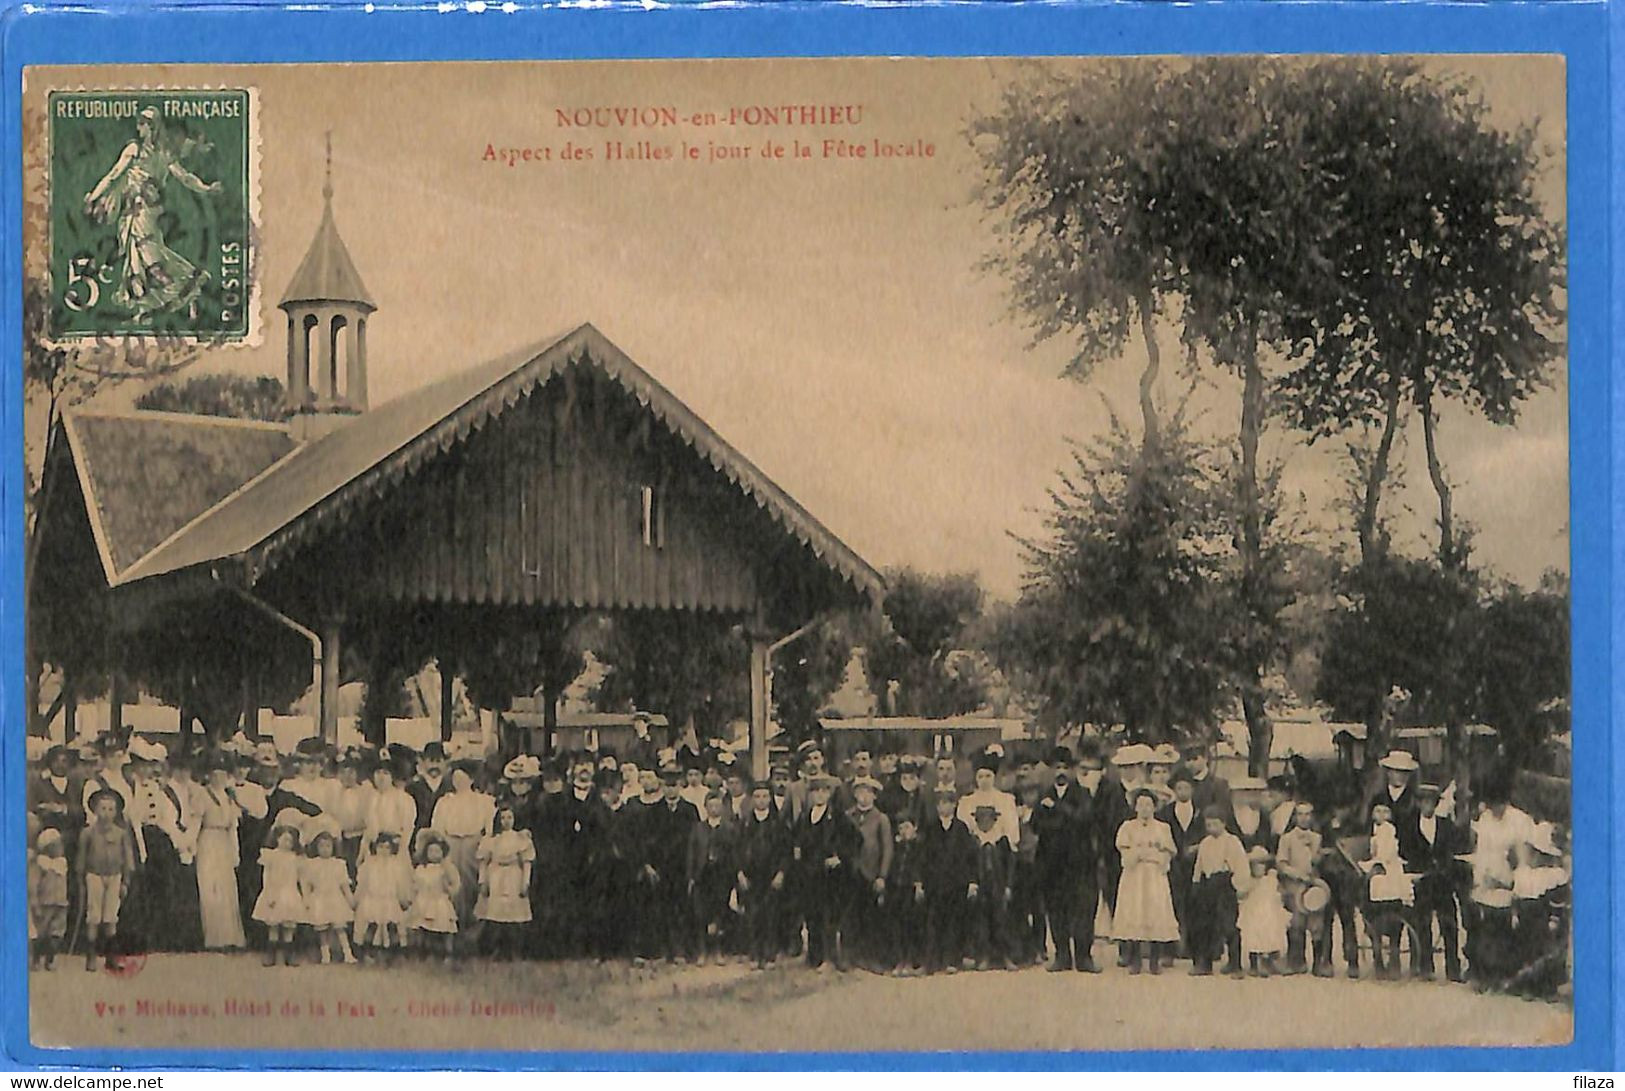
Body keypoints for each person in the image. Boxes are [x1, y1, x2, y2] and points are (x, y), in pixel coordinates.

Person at [1031, 746, 1101, 973]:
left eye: (1064, 767)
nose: (1060, 772)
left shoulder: (1082, 794)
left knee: (1083, 909)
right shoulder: (1043, 795)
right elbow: (1036, 825)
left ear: (1071, 770)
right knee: (1055, 908)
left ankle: (1083, 957)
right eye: (1056, 767)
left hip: (1079, 863)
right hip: (1052, 864)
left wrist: (1058, 809)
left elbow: (1084, 818)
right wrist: (1058, 819)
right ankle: (1062, 955)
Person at [1467, 778, 1535, 992]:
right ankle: (1483, 970)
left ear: (1506, 802)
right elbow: (1482, 851)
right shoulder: (1485, 819)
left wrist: (1513, 880)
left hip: (1511, 875)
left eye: (1497, 805)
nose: (1494, 810)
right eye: (1490, 805)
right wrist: (1481, 879)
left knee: (1505, 921)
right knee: (1481, 917)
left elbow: (1524, 856)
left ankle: (1507, 972)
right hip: (1489, 876)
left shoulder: (1520, 820)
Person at [1399, 782, 1465, 982]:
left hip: (1443, 882)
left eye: (1431, 802)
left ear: (1436, 804)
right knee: (1422, 923)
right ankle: (1425, 966)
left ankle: (1453, 968)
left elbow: (1453, 851)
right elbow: (1404, 853)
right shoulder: (1409, 826)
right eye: (1424, 801)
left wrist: (1446, 869)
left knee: (1449, 924)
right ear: (1418, 803)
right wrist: (1415, 871)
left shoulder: (1446, 825)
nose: (1428, 805)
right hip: (1421, 882)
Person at [791, 774, 857, 971]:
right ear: (810, 794)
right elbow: (796, 838)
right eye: (815, 791)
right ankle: (814, 956)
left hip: (830, 876)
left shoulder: (837, 816)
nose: (819, 795)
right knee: (812, 915)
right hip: (809, 873)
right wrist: (797, 849)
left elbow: (856, 840)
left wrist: (841, 858)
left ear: (829, 794)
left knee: (829, 916)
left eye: (823, 791)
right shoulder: (805, 816)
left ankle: (830, 958)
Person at [1113, 786, 1180, 974]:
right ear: (1134, 807)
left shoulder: (1162, 828)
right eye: (1140, 805)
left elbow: (1170, 851)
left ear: (1154, 807)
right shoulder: (1127, 827)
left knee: (1155, 912)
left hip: (1154, 875)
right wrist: (1137, 853)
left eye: (1148, 805)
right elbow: (1124, 849)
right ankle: (1135, 959)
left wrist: (1158, 855)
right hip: (1134, 875)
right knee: (1134, 911)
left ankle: (1154, 960)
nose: (1144, 809)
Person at [77, 789, 137, 973]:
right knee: (94, 915)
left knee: (111, 916)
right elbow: (81, 860)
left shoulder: (121, 833)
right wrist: (81, 882)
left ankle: (111, 957)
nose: (106, 813)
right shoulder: (87, 833)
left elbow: (128, 859)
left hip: (114, 876)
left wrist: (125, 881)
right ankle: (91, 956)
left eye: (111, 809)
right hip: (94, 876)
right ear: (95, 810)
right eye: (103, 808)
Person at [429, 762, 494, 931]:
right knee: (451, 881)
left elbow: (489, 828)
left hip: (473, 844)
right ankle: (452, 921)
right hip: (450, 843)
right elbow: (437, 826)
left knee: (471, 881)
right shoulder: (445, 801)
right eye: (455, 777)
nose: (458, 780)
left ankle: (471, 922)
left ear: (471, 779)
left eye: (462, 777)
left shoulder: (483, 801)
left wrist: (485, 845)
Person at [919, 787, 975, 974]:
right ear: (936, 807)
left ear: (955, 805)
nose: (944, 807)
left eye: (948, 803)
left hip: (956, 882)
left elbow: (969, 857)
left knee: (953, 921)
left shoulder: (961, 828)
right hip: (935, 883)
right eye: (941, 803)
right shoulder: (930, 827)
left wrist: (970, 881)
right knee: (933, 921)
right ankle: (932, 961)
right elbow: (924, 856)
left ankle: (952, 960)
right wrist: (922, 881)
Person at [195, 754, 248, 950]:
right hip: (208, 841)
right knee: (210, 887)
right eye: (215, 773)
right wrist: (190, 847)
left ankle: (230, 937)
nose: (219, 777)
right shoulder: (202, 795)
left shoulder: (230, 797)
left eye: (223, 773)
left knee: (227, 888)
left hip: (224, 842)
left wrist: (235, 853)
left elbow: (233, 826)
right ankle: (213, 938)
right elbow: (195, 823)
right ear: (208, 775)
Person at [1188, 805, 1247, 976]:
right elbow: (1199, 865)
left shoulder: (1232, 842)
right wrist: (1196, 882)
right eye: (1208, 825)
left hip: (1225, 885)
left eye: (1215, 824)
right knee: (1205, 925)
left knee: (1229, 926)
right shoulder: (1205, 843)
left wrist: (1239, 886)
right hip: (1208, 886)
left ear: (1223, 824)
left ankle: (1235, 964)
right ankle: (1205, 963)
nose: (1211, 828)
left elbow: (1241, 865)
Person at [736, 781, 789, 970]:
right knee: (752, 915)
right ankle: (754, 953)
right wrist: (740, 873)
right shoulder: (745, 823)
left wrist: (781, 873)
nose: (761, 800)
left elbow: (785, 850)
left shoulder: (778, 823)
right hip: (751, 876)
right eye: (757, 796)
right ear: (752, 799)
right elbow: (738, 849)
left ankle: (769, 954)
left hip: (771, 875)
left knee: (771, 915)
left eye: (765, 796)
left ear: (770, 798)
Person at [844, 775, 893, 971]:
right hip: (851, 873)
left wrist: (882, 876)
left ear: (874, 796)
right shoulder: (848, 816)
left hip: (871, 874)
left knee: (872, 917)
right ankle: (851, 955)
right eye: (860, 792)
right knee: (851, 916)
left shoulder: (881, 819)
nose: (864, 796)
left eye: (868, 792)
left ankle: (872, 957)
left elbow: (887, 849)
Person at [475, 806, 534, 961]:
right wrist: (483, 881)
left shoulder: (521, 840)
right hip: (496, 876)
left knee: (515, 914)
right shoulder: (492, 841)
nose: (506, 821)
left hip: (514, 876)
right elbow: (484, 863)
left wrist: (525, 882)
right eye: (503, 818)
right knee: (496, 914)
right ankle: (497, 950)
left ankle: (515, 951)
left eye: (509, 817)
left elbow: (527, 863)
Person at [1363, 800, 1414, 979]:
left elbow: (1392, 853)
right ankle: (1377, 952)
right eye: (1378, 811)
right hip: (1376, 866)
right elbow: (1371, 853)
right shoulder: (1370, 833)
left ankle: (1394, 952)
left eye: (1385, 811)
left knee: (1397, 885)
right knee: (1371, 883)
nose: (1382, 816)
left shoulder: (1390, 830)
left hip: (1391, 865)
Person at [687, 791, 740, 964]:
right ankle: (702, 951)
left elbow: (734, 854)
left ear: (723, 808)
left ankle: (718, 951)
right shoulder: (698, 828)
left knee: (719, 912)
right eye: (711, 805)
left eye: (717, 805)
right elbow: (691, 853)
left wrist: (733, 876)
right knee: (701, 914)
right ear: (705, 807)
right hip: (703, 876)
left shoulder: (729, 828)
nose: (714, 809)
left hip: (721, 876)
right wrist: (691, 876)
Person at [1275, 800, 1327, 975]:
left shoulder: (1317, 838)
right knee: (1296, 924)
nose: (1304, 818)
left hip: (1313, 887)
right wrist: (1297, 874)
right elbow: (1281, 864)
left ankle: (1318, 963)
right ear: (1295, 817)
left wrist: (1317, 860)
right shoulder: (1287, 838)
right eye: (1300, 814)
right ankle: (1296, 961)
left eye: (1308, 814)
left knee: (1316, 924)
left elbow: (1320, 862)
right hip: (1294, 886)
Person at [1160, 770, 1204, 962]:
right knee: (1172, 905)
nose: (1183, 791)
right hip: (1173, 865)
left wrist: (1197, 847)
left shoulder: (1202, 812)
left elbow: (1208, 835)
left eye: (1186, 787)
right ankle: (1169, 950)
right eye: (1179, 788)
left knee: (1194, 905)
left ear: (1192, 790)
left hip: (1196, 865)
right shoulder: (1165, 813)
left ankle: (1194, 948)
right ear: (1174, 790)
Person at [967, 803, 1015, 970]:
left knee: (1001, 919)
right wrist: (972, 883)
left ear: (995, 821)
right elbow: (969, 864)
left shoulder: (1002, 841)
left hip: (998, 885)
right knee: (981, 920)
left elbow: (1010, 864)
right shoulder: (973, 841)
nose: (985, 824)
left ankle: (1006, 956)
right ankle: (984, 956)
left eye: (989, 820)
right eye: (981, 820)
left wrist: (1008, 886)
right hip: (981, 886)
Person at [253, 818, 308, 967]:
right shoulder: (271, 856)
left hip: (290, 893)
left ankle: (288, 955)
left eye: (290, 841)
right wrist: (269, 893)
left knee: (289, 926)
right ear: (277, 839)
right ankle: (271, 955)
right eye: (284, 839)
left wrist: (306, 897)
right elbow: (266, 876)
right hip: (274, 892)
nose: (286, 843)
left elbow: (301, 878)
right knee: (274, 925)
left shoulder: (296, 859)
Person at [302, 823, 359, 965]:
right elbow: (307, 885)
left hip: (335, 899)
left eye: (328, 846)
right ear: (316, 847)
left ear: (333, 847)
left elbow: (344, 884)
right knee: (322, 929)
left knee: (340, 927)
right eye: (321, 846)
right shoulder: (312, 864)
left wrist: (350, 899)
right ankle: (325, 955)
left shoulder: (338, 864)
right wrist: (307, 900)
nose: (325, 849)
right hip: (319, 899)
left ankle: (348, 953)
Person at [354, 832, 412, 962]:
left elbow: (400, 884)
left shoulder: (396, 865)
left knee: (393, 923)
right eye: (381, 847)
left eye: (387, 847)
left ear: (392, 849)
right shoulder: (369, 864)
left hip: (389, 899)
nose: (383, 851)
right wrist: (357, 899)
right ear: (375, 847)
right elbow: (363, 883)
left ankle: (394, 952)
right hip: (372, 898)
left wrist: (403, 899)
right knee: (370, 923)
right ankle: (367, 952)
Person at [406, 830, 461, 962]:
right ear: (426, 853)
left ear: (443, 853)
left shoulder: (446, 869)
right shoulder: (421, 869)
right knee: (423, 926)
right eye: (431, 851)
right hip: (424, 901)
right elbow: (415, 885)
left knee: (444, 927)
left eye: (438, 851)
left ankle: (447, 953)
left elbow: (454, 885)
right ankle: (423, 951)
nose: (434, 854)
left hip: (440, 901)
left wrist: (448, 889)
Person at [1238, 846, 1290, 976]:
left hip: (1269, 913)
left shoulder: (1270, 879)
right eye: (1255, 864)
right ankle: (1254, 965)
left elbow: (1279, 892)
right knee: (1253, 939)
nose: (1259, 867)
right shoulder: (1249, 881)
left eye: (1262, 864)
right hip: (1254, 913)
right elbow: (1240, 894)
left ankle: (1271, 962)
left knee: (1272, 937)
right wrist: (1248, 888)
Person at [887, 814, 926, 975]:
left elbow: (922, 866)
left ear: (915, 828)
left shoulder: (919, 847)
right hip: (898, 888)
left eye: (907, 827)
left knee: (912, 923)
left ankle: (911, 960)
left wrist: (919, 884)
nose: (904, 831)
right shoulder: (898, 848)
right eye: (901, 828)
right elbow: (893, 868)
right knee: (897, 923)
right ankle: (900, 960)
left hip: (913, 889)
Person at [29, 829, 71, 971]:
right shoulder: (41, 864)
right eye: (57, 845)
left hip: (60, 903)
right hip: (45, 904)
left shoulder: (62, 863)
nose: (61, 848)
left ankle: (50, 958)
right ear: (48, 848)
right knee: (42, 933)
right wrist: (35, 903)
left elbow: (64, 883)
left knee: (57, 933)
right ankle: (36, 958)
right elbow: (33, 885)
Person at [407, 743, 453, 831]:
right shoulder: (412, 788)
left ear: (445, 763)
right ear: (423, 762)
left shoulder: (451, 787)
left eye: (439, 761)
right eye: (431, 761)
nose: (434, 766)